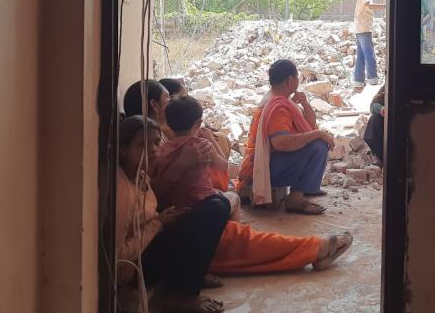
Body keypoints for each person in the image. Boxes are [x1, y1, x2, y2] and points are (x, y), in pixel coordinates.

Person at [151, 101, 354, 275]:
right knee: (252, 235)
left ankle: (242, 232)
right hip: (200, 213)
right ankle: (317, 249)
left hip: (177, 210)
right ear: (197, 123)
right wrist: (218, 146)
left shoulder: (160, 149)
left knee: (230, 202)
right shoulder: (200, 146)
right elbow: (229, 168)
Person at [115, 116, 228, 313]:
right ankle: (179, 295)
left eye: (156, 143)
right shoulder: (122, 190)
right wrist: (157, 224)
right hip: (132, 271)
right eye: (143, 144)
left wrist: (161, 219)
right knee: (215, 209)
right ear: (123, 149)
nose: (153, 150)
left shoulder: (141, 175)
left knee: (216, 204)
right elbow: (119, 256)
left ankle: (190, 278)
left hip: (151, 239)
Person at [238, 59, 333, 214]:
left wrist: (305, 104)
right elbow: (281, 143)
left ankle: (305, 188)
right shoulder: (278, 106)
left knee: (316, 140)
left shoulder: (283, 101)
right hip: (264, 168)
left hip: (270, 163)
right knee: (318, 145)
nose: (298, 80)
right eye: (296, 77)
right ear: (290, 80)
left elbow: (308, 123)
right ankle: (296, 198)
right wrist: (318, 134)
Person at [155, 95, 241, 221]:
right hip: (201, 204)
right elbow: (224, 166)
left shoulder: (163, 148)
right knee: (234, 197)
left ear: (168, 123)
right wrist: (211, 139)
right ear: (199, 123)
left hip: (172, 205)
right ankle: (230, 234)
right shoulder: (202, 145)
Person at [353, 0, 386, 88]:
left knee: (361, 56)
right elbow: (370, 5)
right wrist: (387, 5)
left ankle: (358, 81)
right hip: (364, 29)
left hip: (361, 28)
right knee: (369, 54)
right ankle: (373, 79)